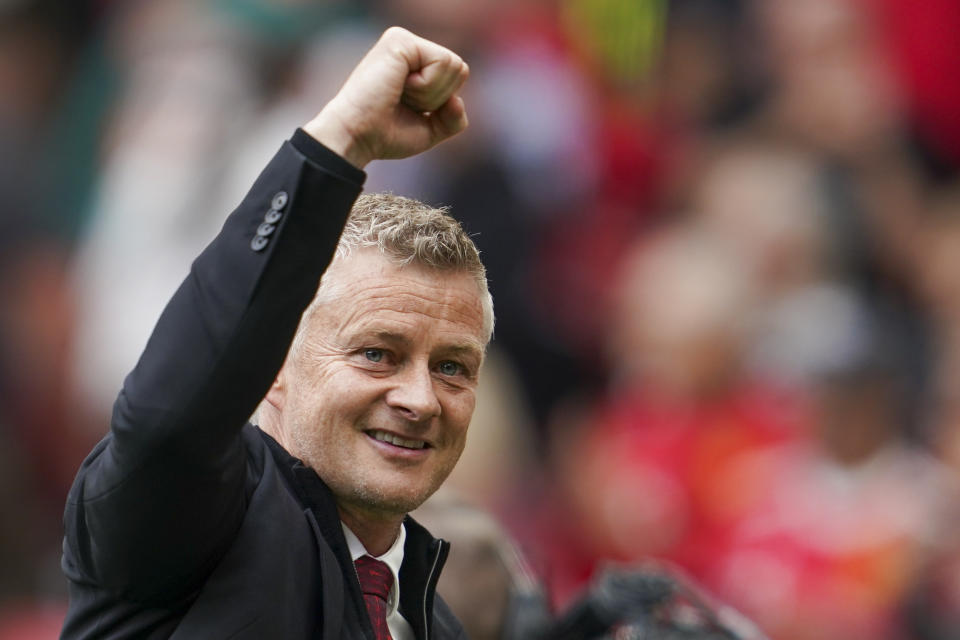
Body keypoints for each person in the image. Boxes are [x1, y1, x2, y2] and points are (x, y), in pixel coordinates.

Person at [59, 27, 484, 640]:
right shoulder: (192, 522)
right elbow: (171, 421)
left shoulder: (432, 622)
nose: (419, 399)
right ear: (275, 365)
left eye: (451, 367)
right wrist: (339, 146)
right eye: (376, 354)